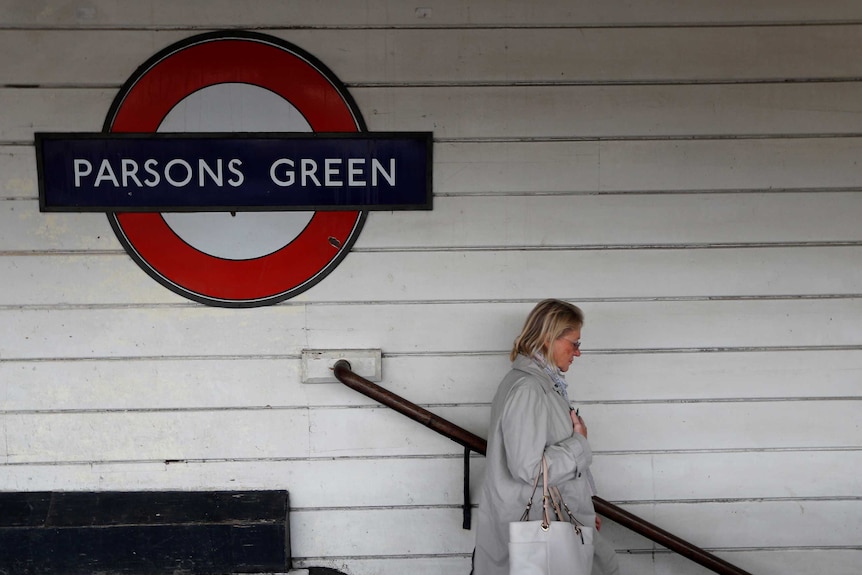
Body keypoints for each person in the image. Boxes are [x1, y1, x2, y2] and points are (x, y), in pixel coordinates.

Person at [472, 299, 620, 575]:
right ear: (549, 338)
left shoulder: (542, 384)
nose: (578, 353)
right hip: (538, 527)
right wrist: (579, 444)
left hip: (552, 518)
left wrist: (582, 508)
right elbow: (528, 469)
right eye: (574, 343)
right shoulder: (529, 388)